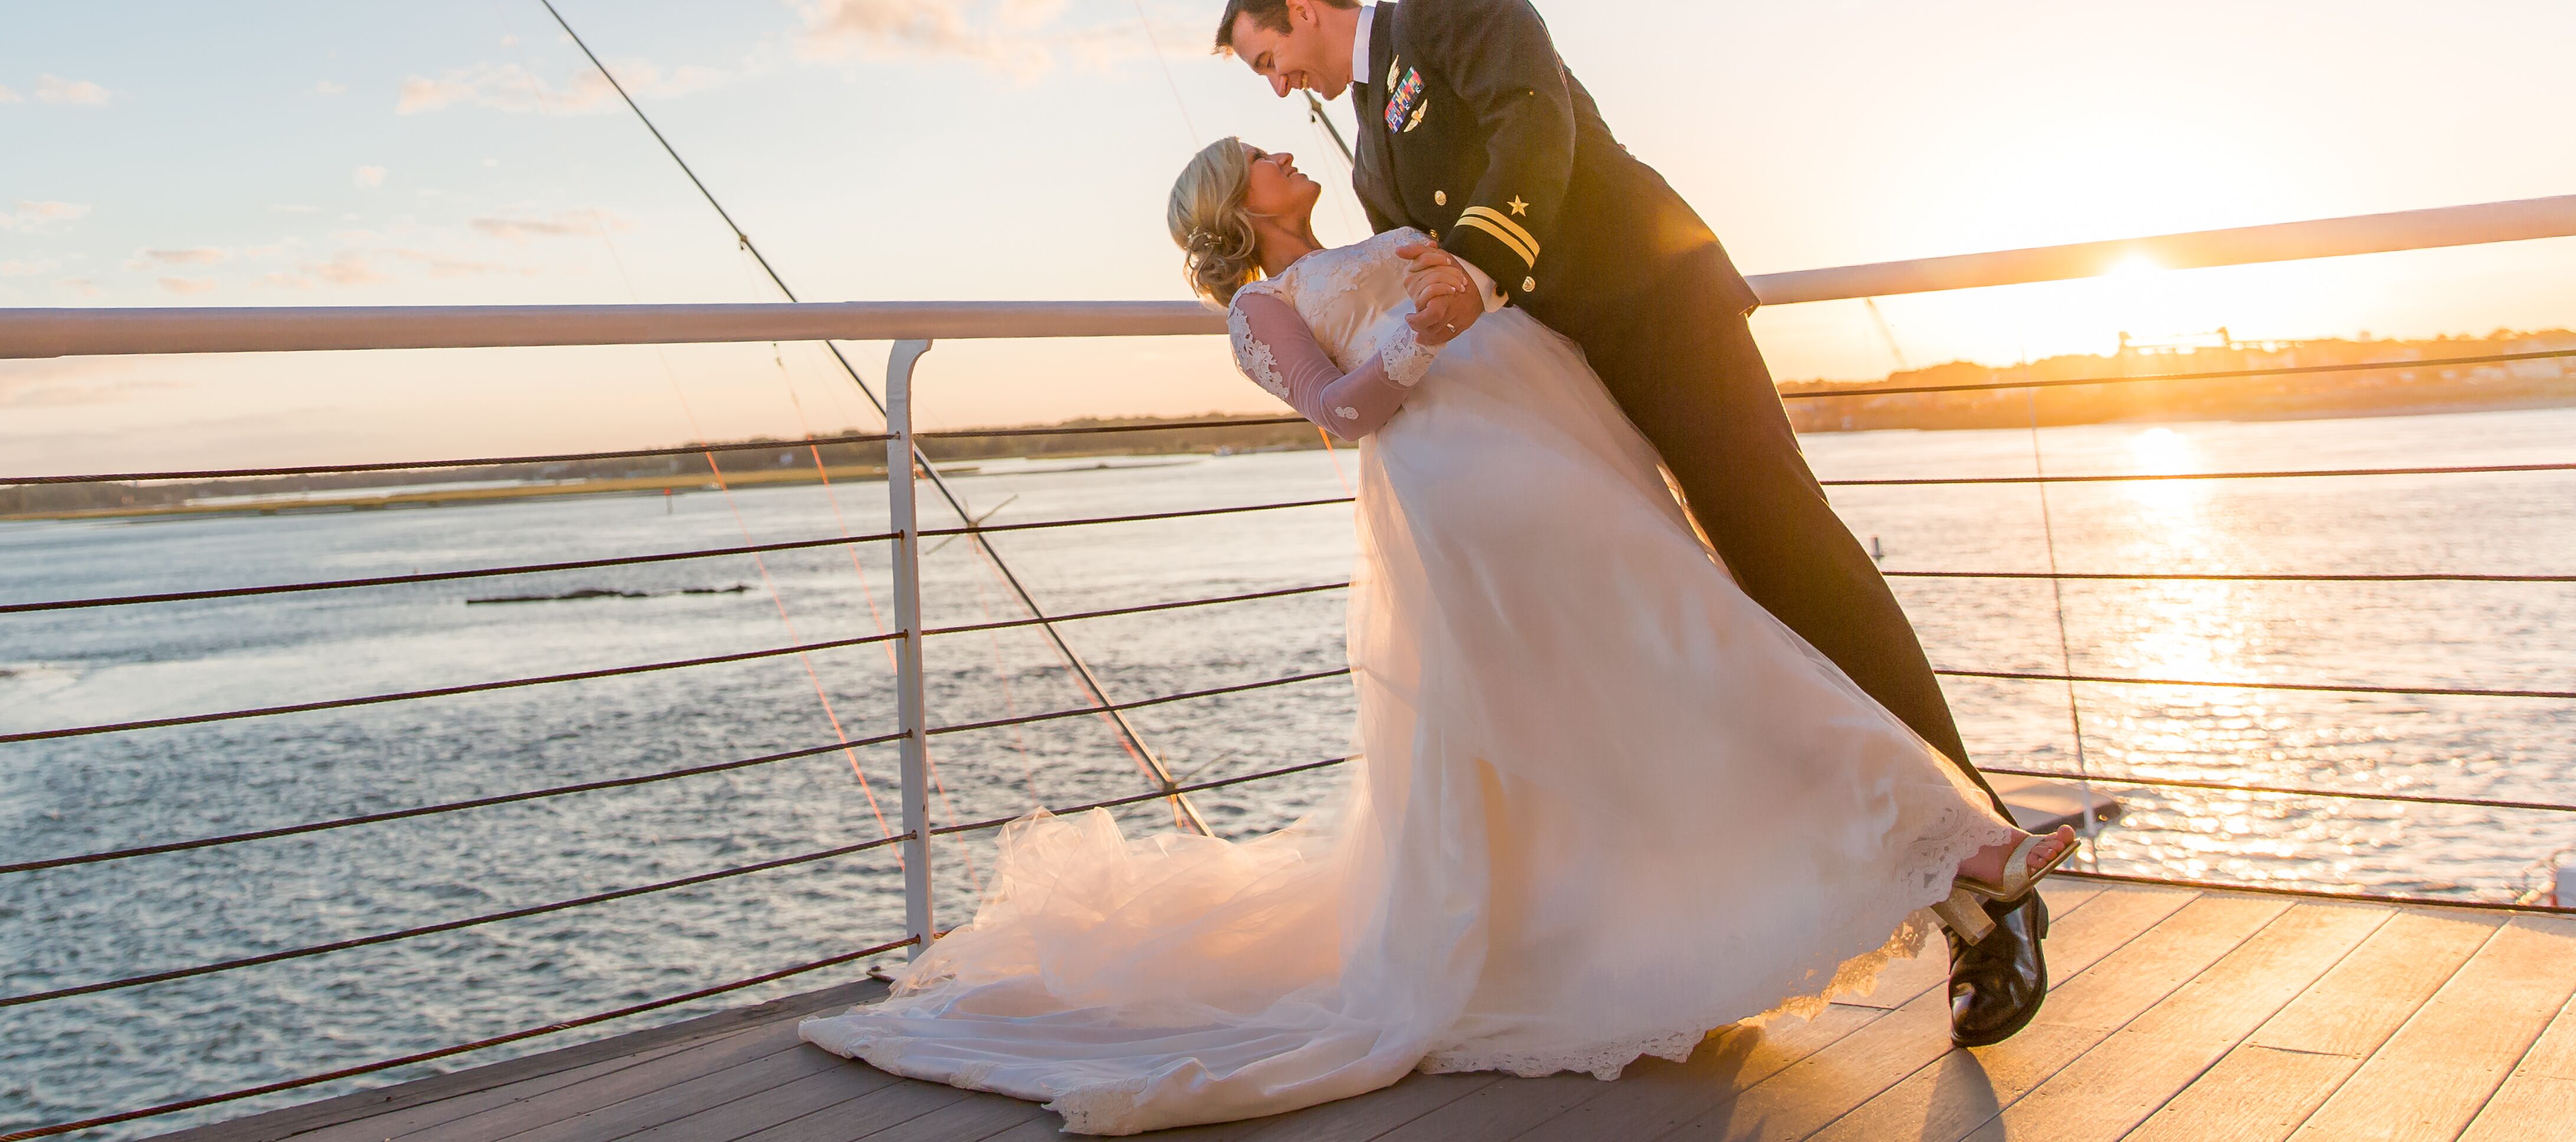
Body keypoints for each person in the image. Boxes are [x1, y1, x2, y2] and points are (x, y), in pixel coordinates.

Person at [800, 139, 2071, 1134]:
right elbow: (1335, 412)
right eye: (1260, 154)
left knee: (1689, 671)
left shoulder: (1364, 224)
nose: (1284, 155)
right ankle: (1967, 848)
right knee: (1711, 651)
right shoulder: (1262, 303)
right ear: (1235, 204)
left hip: (1559, 460)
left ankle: (1935, 853)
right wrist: (1415, 329)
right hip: (1479, 497)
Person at [1213, 0, 2049, 1042]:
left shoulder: (1442, 6)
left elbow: (1530, 118)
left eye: (1269, 57)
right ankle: (1758, 900)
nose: (1276, 85)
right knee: (1699, 640)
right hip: (1568, 393)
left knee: (1794, 569)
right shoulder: (1370, 149)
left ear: (1304, 8)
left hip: (1657, 316)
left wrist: (1479, 259)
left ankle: (1989, 891)